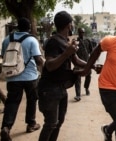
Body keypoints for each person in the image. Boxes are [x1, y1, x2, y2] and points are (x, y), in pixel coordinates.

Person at [37, 11, 87, 141]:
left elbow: (76, 60)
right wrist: (67, 53)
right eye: (72, 23)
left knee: (58, 122)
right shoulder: (53, 41)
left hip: (60, 88)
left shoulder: (66, 41)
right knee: (51, 123)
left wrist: (92, 65)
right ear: (69, 25)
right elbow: (49, 65)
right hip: (49, 89)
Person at [0, 17, 44, 141]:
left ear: (17, 27)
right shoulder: (31, 40)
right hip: (30, 77)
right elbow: (38, 60)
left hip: (12, 76)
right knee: (31, 100)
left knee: (12, 102)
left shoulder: (7, 39)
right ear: (29, 27)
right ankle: (31, 124)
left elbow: (4, 56)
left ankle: (6, 127)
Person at [74, 27, 93, 101]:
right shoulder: (76, 41)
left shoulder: (87, 41)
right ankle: (78, 95)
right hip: (78, 62)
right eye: (80, 32)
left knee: (88, 76)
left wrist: (92, 61)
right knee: (77, 78)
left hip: (87, 61)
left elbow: (92, 51)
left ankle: (86, 88)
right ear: (78, 33)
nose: (81, 34)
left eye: (82, 32)